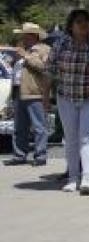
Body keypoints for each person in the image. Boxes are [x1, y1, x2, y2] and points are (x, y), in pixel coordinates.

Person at [47, 9, 89, 195]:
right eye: (79, 21)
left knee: (86, 137)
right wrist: (46, 96)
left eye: (86, 21)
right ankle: (72, 179)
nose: (84, 24)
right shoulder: (61, 44)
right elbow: (49, 69)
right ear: (71, 25)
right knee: (70, 139)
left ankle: (86, 178)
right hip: (66, 96)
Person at [3, 23, 51, 167]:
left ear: (33, 36)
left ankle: (41, 155)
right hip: (19, 91)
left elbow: (44, 67)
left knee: (38, 126)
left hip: (34, 92)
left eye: (24, 35)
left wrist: (26, 56)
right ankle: (19, 155)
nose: (22, 37)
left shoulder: (43, 49)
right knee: (19, 127)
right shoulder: (23, 51)